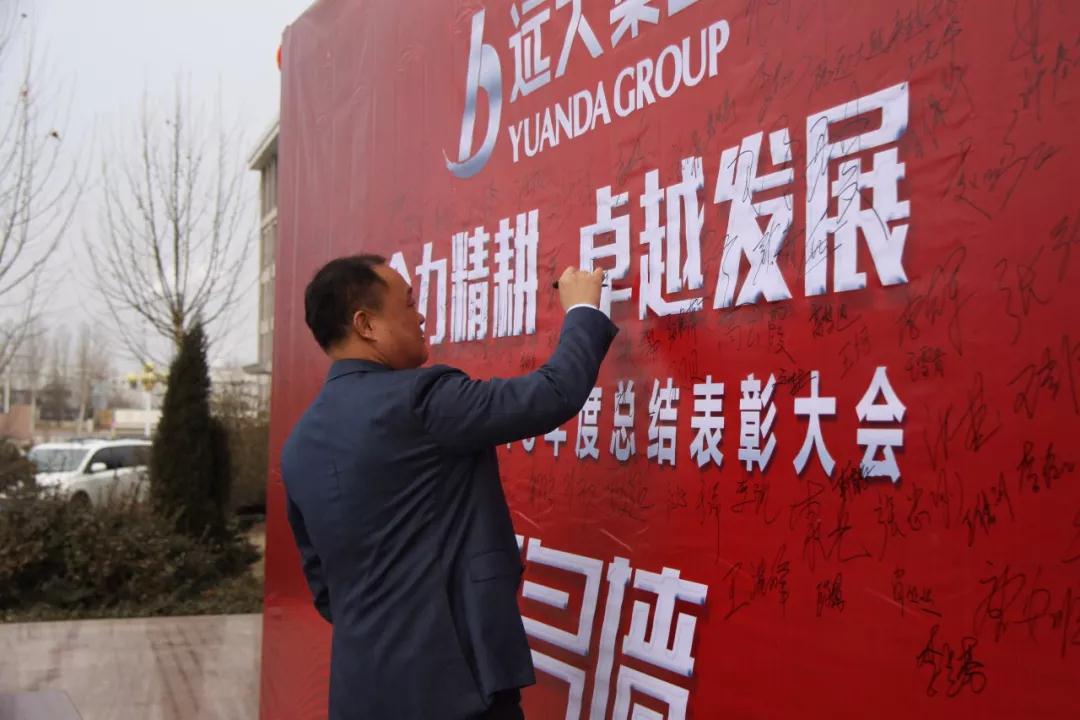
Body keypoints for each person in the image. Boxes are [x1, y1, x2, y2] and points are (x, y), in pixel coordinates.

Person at [280, 255, 617, 720]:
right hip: (455, 692)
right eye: (408, 303)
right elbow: (551, 393)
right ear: (366, 325)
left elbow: (325, 590)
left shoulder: (298, 445)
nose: (420, 316)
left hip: (361, 694)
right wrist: (582, 310)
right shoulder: (419, 401)